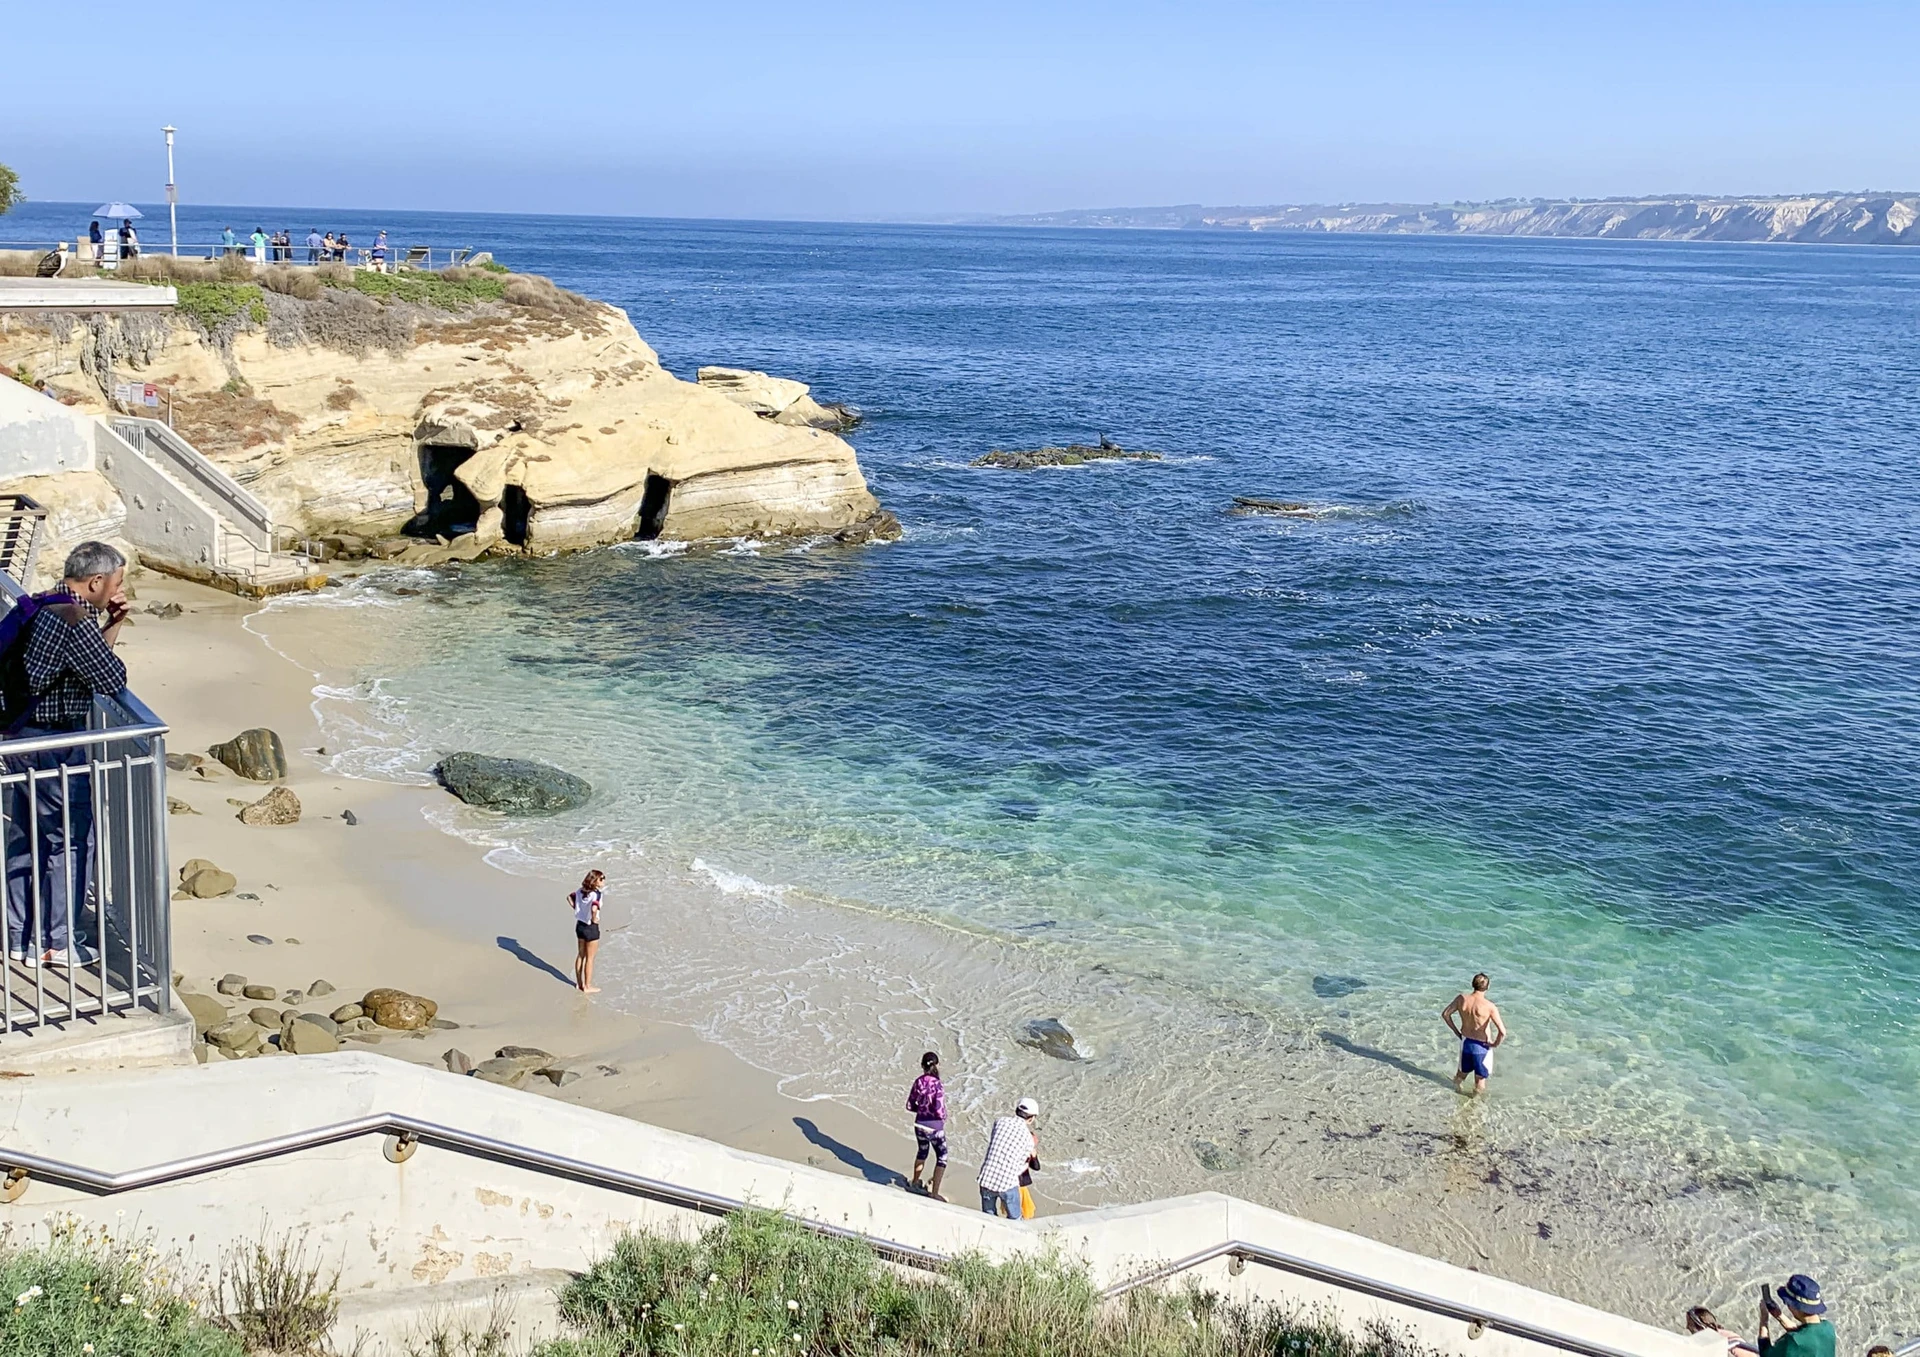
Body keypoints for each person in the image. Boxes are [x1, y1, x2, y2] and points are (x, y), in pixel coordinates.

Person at [1, 543, 130, 969]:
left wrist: (110, 623)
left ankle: (19, 936)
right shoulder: (73, 619)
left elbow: (87, 667)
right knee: (72, 839)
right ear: (96, 582)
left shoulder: (41, 604)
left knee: (26, 835)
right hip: (53, 746)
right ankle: (57, 942)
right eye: (116, 582)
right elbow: (111, 678)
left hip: (18, 738)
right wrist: (107, 626)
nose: (118, 590)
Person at [1442, 972, 1506, 1096]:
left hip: (1466, 1042)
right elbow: (1502, 1031)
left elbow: (1446, 1014)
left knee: (1460, 1076)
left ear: (1473, 984)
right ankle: (1473, 1107)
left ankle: (1453, 1096)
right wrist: (1494, 1044)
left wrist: (1457, 1032)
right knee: (1480, 1081)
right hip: (1482, 1047)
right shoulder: (1489, 1006)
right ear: (1487, 987)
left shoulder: (1461, 999)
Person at [977, 1096, 1039, 1217]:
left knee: (988, 1216)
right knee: (1015, 1219)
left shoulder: (999, 1122)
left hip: (986, 1178)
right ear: (1031, 1118)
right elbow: (1020, 1166)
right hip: (1007, 1183)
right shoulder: (1028, 1139)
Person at [906, 1051, 949, 1201]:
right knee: (942, 1157)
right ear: (936, 1065)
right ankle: (935, 1192)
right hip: (934, 1126)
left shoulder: (918, 1081)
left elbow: (910, 1105)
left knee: (922, 1152)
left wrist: (922, 1111)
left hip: (919, 1124)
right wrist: (943, 1118)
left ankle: (915, 1181)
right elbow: (939, 1109)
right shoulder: (937, 1084)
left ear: (922, 1066)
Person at [1758, 1275, 1833, 1357]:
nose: (1787, 1305)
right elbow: (1804, 1334)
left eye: (1787, 1302)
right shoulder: (1828, 1328)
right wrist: (1778, 1315)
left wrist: (1764, 1320)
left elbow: (1765, 1353)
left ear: (1797, 1307)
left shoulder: (1793, 1342)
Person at [568, 869, 605, 993]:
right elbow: (594, 908)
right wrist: (594, 919)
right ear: (595, 881)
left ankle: (579, 983)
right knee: (590, 959)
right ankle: (587, 986)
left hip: (580, 925)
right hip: (590, 927)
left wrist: (577, 909)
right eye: (601, 879)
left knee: (581, 955)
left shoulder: (580, 891)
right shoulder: (597, 894)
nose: (603, 881)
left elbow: (569, 897)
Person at [1687, 1306, 1758, 1356]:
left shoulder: (1728, 1342)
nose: (1687, 1327)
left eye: (1689, 1324)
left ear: (1701, 1327)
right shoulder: (1715, 1336)